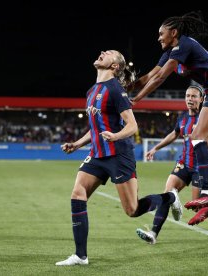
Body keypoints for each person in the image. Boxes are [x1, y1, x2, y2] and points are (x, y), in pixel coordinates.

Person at [55, 50, 182, 266]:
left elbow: (132, 126)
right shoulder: (91, 90)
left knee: (132, 210)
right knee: (78, 193)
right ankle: (80, 255)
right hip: (97, 155)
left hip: (118, 154)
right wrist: (77, 144)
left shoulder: (115, 90)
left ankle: (170, 197)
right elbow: (95, 128)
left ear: (115, 66)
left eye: (109, 53)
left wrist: (115, 136)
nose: (103, 52)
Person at [130, 11, 208, 225]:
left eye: (161, 34)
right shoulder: (170, 53)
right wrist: (128, 87)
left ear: (173, 32)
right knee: (203, 141)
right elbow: (150, 76)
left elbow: (161, 78)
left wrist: (136, 100)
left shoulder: (185, 44)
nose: (158, 38)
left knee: (197, 137)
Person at [136, 85, 208, 244]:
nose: (190, 99)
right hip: (183, 163)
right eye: (187, 96)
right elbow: (173, 135)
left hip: (200, 167)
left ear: (201, 99)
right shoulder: (182, 118)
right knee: (167, 193)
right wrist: (155, 148)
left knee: (197, 206)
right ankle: (153, 233)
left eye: (194, 96)